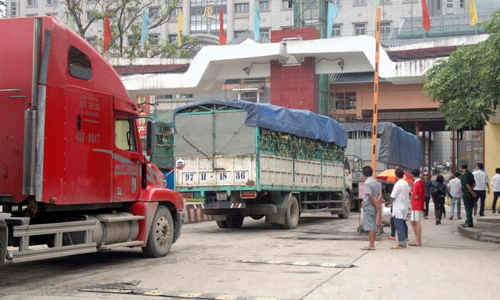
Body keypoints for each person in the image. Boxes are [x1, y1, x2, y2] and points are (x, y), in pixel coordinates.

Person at [361, 166, 382, 251]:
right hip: (373, 206)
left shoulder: (367, 183)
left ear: (363, 174)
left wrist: (374, 204)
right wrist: (377, 203)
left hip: (369, 206)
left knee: (370, 226)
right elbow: (380, 195)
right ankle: (372, 244)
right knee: (373, 225)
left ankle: (371, 245)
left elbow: (369, 195)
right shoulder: (376, 182)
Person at [388, 168, 410, 249]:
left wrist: (391, 201)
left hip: (398, 208)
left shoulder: (397, 184)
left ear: (396, 175)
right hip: (404, 206)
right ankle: (403, 242)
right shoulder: (406, 183)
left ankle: (401, 244)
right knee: (402, 225)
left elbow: (392, 196)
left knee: (399, 225)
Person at [409, 169, 424, 246]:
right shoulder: (420, 182)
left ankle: (418, 240)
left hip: (416, 205)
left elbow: (416, 195)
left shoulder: (416, 183)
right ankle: (417, 239)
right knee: (413, 221)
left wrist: (410, 191)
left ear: (412, 175)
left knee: (416, 222)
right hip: (417, 204)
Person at [460, 162, 476, 228]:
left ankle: (469, 222)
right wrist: (472, 190)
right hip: (469, 192)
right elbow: (474, 184)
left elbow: (467, 185)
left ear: (461, 168)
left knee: (468, 208)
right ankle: (469, 221)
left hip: (466, 193)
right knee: (470, 207)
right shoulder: (470, 174)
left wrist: (471, 192)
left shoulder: (464, 175)